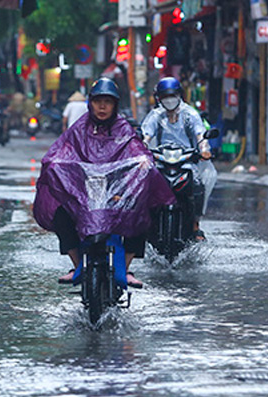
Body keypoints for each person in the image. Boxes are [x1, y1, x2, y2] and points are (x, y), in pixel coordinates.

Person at [34, 77, 174, 288]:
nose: (102, 106)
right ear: (90, 102)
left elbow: (137, 151)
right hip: (84, 191)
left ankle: (125, 268)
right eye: (98, 101)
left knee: (142, 211)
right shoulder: (79, 128)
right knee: (62, 215)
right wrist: (54, 163)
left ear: (115, 105)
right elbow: (62, 151)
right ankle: (77, 264)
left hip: (117, 191)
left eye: (107, 102)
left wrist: (144, 163)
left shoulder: (123, 128)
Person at [140, 76, 215, 240]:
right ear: (159, 98)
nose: (169, 100)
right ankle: (146, 222)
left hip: (186, 161)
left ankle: (195, 223)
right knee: (145, 186)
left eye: (172, 95)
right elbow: (146, 135)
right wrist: (141, 147)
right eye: (165, 96)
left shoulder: (190, 114)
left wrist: (204, 150)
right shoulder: (156, 115)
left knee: (198, 184)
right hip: (161, 161)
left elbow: (200, 134)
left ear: (179, 95)